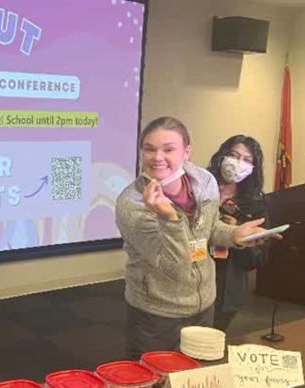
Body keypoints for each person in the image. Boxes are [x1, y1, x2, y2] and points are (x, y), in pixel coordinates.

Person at [115, 117, 278, 360]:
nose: (157, 157)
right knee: (155, 387)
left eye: (168, 149)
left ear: (186, 152)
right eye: (149, 149)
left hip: (204, 306)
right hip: (158, 314)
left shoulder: (204, 182)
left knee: (195, 379)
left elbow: (208, 230)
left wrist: (234, 234)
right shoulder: (133, 204)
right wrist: (169, 218)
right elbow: (176, 269)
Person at [208, 135, 269, 332]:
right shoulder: (200, 186)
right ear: (222, 156)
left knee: (210, 342)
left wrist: (239, 236)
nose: (238, 163)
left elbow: (258, 259)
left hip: (227, 285)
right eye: (234, 155)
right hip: (191, 278)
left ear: (254, 167)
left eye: (247, 159)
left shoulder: (256, 204)